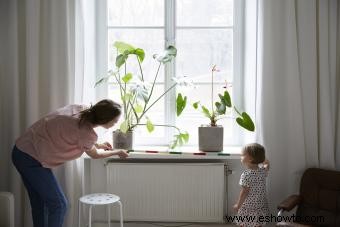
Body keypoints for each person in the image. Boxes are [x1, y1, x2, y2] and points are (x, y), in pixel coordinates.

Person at [12, 99, 128, 227]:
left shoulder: (80, 109)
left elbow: (71, 131)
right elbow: (95, 155)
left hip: (21, 149)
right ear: (105, 119)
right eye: (115, 121)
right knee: (60, 204)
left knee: (40, 203)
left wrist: (97, 144)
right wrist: (117, 152)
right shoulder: (87, 134)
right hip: (30, 159)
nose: (115, 123)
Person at [233, 143, 270, 227]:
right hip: (260, 204)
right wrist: (262, 158)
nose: (241, 156)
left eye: (242, 155)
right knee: (257, 223)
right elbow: (267, 164)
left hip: (248, 207)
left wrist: (238, 205)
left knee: (244, 223)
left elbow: (244, 192)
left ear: (250, 159)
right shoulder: (262, 171)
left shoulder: (246, 175)